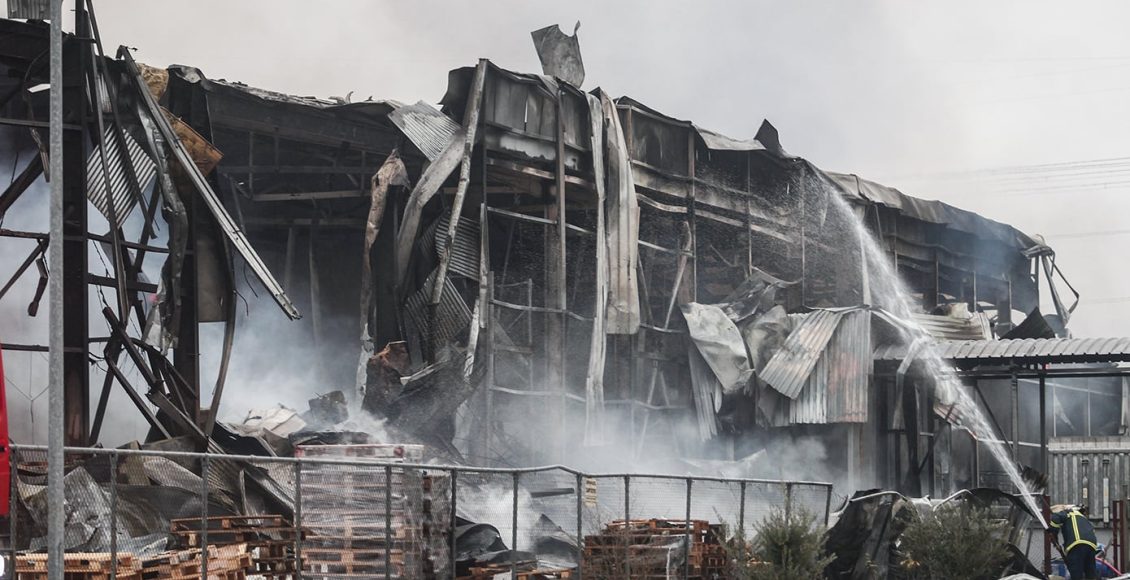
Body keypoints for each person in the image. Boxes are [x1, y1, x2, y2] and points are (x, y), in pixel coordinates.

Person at [1050, 504, 1098, 579]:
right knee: (1090, 572)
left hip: (1078, 544)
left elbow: (1056, 518)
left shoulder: (1067, 513)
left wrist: (1053, 534)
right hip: (1091, 545)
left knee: (1076, 573)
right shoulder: (1080, 516)